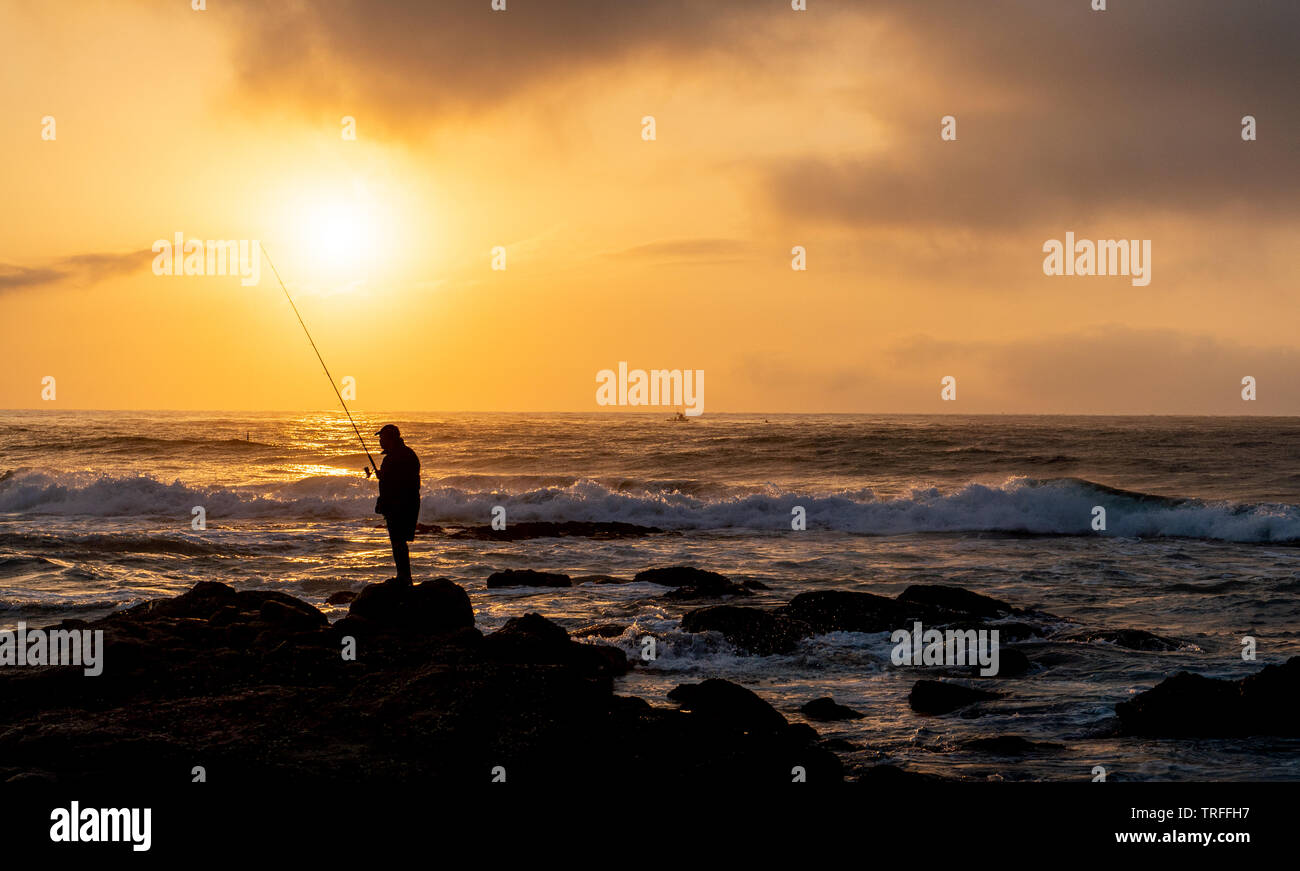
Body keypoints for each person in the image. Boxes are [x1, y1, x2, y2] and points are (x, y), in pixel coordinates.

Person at [373, 424, 421, 583]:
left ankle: (404, 577)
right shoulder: (408, 454)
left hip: (399, 505)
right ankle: (404, 576)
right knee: (399, 541)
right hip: (408, 503)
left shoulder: (394, 457)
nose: (380, 442)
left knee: (398, 541)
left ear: (390, 439)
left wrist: (384, 477)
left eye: (382, 438)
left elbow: (398, 482)